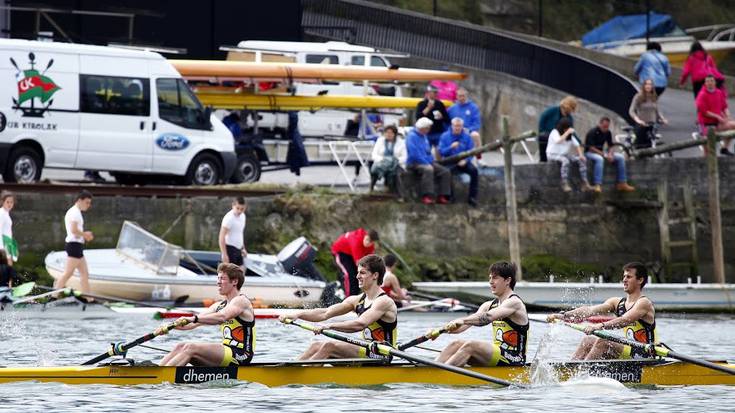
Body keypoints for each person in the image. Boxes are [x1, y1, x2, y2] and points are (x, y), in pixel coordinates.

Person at [278, 254, 397, 361]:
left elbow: (359, 324)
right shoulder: (356, 300)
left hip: (382, 354)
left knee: (329, 346)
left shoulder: (384, 302)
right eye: (358, 272)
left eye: (363, 273)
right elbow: (325, 313)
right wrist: (297, 315)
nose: (357, 276)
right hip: (366, 350)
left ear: (375, 275)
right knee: (316, 345)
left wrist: (330, 326)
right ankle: (292, 370)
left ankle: (302, 378)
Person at [547, 262, 657, 360]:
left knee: (603, 342)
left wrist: (598, 326)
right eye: (624, 276)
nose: (624, 280)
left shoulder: (644, 303)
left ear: (640, 280)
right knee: (587, 341)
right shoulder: (616, 302)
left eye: (629, 277)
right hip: (629, 351)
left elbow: (624, 320)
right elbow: (589, 311)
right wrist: (563, 316)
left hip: (645, 353)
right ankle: (570, 371)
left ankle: (582, 374)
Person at [158, 263, 255, 366]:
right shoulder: (218, 305)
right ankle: (157, 370)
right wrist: (168, 327)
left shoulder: (241, 301)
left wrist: (193, 318)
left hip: (241, 354)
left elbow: (222, 317)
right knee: (180, 346)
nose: (218, 282)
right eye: (218, 278)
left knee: (190, 348)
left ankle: (163, 377)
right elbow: (191, 324)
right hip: (227, 352)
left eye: (222, 279)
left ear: (235, 281)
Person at [434, 261, 528, 367]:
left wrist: (463, 320)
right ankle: (432, 370)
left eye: (495, 278)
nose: (491, 282)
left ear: (507, 280)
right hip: (498, 355)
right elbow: (462, 327)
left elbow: (488, 317)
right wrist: (438, 331)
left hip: (514, 358)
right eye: (490, 278)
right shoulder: (488, 305)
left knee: (471, 345)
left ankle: (442, 375)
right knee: (455, 344)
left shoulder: (514, 302)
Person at [53, 190, 94, 293]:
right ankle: (53, 295)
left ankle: (88, 299)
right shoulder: (74, 212)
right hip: (74, 245)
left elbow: (75, 230)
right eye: (87, 202)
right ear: (80, 200)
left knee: (84, 274)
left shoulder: (76, 212)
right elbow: (74, 230)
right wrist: (86, 235)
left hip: (77, 245)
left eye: (89, 203)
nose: (88, 205)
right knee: (68, 273)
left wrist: (84, 235)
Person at [405, 117, 452, 205]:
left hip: (426, 161)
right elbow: (414, 154)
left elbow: (428, 151)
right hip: (414, 162)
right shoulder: (411, 137)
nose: (429, 130)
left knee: (445, 171)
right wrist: (427, 163)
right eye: (428, 128)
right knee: (428, 170)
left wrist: (431, 160)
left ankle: (443, 195)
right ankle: (427, 195)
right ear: (423, 128)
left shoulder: (424, 137)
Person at [584, 117, 635, 193]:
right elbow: (591, 148)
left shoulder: (608, 132)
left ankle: (622, 182)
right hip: (589, 152)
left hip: (602, 152)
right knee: (599, 159)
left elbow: (610, 145)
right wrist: (604, 155)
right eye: (604, 127)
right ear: (600, 124)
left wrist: (610, 154)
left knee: (620, 157)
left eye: (607, 127)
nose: (605, 129)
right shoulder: (592, 132)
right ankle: (597, 184)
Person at [439, 117, 479, 206]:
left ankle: (472, 197)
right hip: (450, 160)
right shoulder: (445, 136)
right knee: (446, 173)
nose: (457, 128)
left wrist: (466, 160)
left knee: (474, 171)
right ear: (452, 126)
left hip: (463, 160)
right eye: (456, 126)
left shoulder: (467, 137)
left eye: (459, 126)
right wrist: (451, 147)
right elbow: (441, 152)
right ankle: (450, 197)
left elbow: (471, 151)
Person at [546, 118, 592, 193]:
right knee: (565, 161)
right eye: (565, 128)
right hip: (552, 154)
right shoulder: (554, 132)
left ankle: (584, 182)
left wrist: (581, 155)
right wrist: (567, 132)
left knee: (581, 159)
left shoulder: (569, 136)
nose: (566, 130)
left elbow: (577, 145)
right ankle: (564, 183)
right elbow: (558, 141)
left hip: (564, 154)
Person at [331, 228, 379, 297]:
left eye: (371, 242)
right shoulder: (356, 241)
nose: (368, 243)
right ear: (366, 235)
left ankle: (354, 298)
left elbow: (369, 261)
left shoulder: (371, 246)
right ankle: (347, 299)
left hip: (351, 254)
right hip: (340, 252)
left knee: (358, 276)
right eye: (367, 239)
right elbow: (359, 264)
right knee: (349, 275)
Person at [696, 74, 735, 156]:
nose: (710, 83)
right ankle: (704, 162)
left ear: (715, 82)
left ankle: (724, 148)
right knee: (708, 150)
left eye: (711, 81)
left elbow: (724, 107)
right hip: (705, 124)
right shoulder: (702, 94)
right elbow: (704, 112)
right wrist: (718, 116)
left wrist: (727, 116)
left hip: (717, 123)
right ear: (705, 83)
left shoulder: (719, 92)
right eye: (707, 81)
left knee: (733, 125)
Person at [629, 79, 668, 149]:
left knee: (650, 146)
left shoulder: (654, 97)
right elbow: (631, 111)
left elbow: (657, 110)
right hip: (641, 125)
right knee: (639, 147)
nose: (648, 86)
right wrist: (638, 120)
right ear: (644, 86)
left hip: (652, 125)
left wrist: (662, 119)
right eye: (646, 84)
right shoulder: (638, 97)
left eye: (650, 84)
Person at [538, 96, 578, 162]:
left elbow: (571, 131)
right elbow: (543, 118)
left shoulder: (569, 118)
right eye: (572, 108)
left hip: (560, 139)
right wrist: (542, 131)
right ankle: (544, 161)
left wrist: (579, 142)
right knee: (545, 140)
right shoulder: (553, 110)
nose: (572, 111)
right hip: (547, 135)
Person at [370, 125, 407, 192]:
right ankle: (371, 188)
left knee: (396, 172)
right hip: (381, 163)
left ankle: (398, 193)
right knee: (374, 168)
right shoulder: (380, 140)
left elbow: (404, 157)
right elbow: (374, 155)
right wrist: (384, 160)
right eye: (387, 132)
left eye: (391, 133)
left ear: (395, 134)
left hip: (396, 164)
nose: (388, 134)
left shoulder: (401, 142)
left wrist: (393, 161)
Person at [447, 87, 482, 154]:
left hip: (467, 131)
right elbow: (446, 121)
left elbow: (477, 123)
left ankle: (479, 157)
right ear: (456, 96)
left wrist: (468, 130)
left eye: (463, 96)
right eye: (460, 96)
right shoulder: (452, 108)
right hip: (454, 131)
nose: (462, 98)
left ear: (466, 96)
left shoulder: (473, 107)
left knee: (475, 135)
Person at [219, 197, 248, 267]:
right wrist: (224, 254)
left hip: (238, 249)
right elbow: (221, 237)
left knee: (240, 272)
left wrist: (243, 248)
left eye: (242, 209)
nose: (239, 211)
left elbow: (240, 233)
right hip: (229, 249)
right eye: (237, 208)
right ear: (233, 206)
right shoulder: (229, 218)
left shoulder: (243, 216)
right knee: (231, 275)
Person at [0, 192, 16, 265]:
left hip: (8, 243)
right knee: (8, 267)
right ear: (2, 202)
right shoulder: (1, 213)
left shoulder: (6, 213)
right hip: (3, 244)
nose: (10, 204)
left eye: (11, 202)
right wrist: (1, 247)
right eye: (7, 202)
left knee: (8, 268)